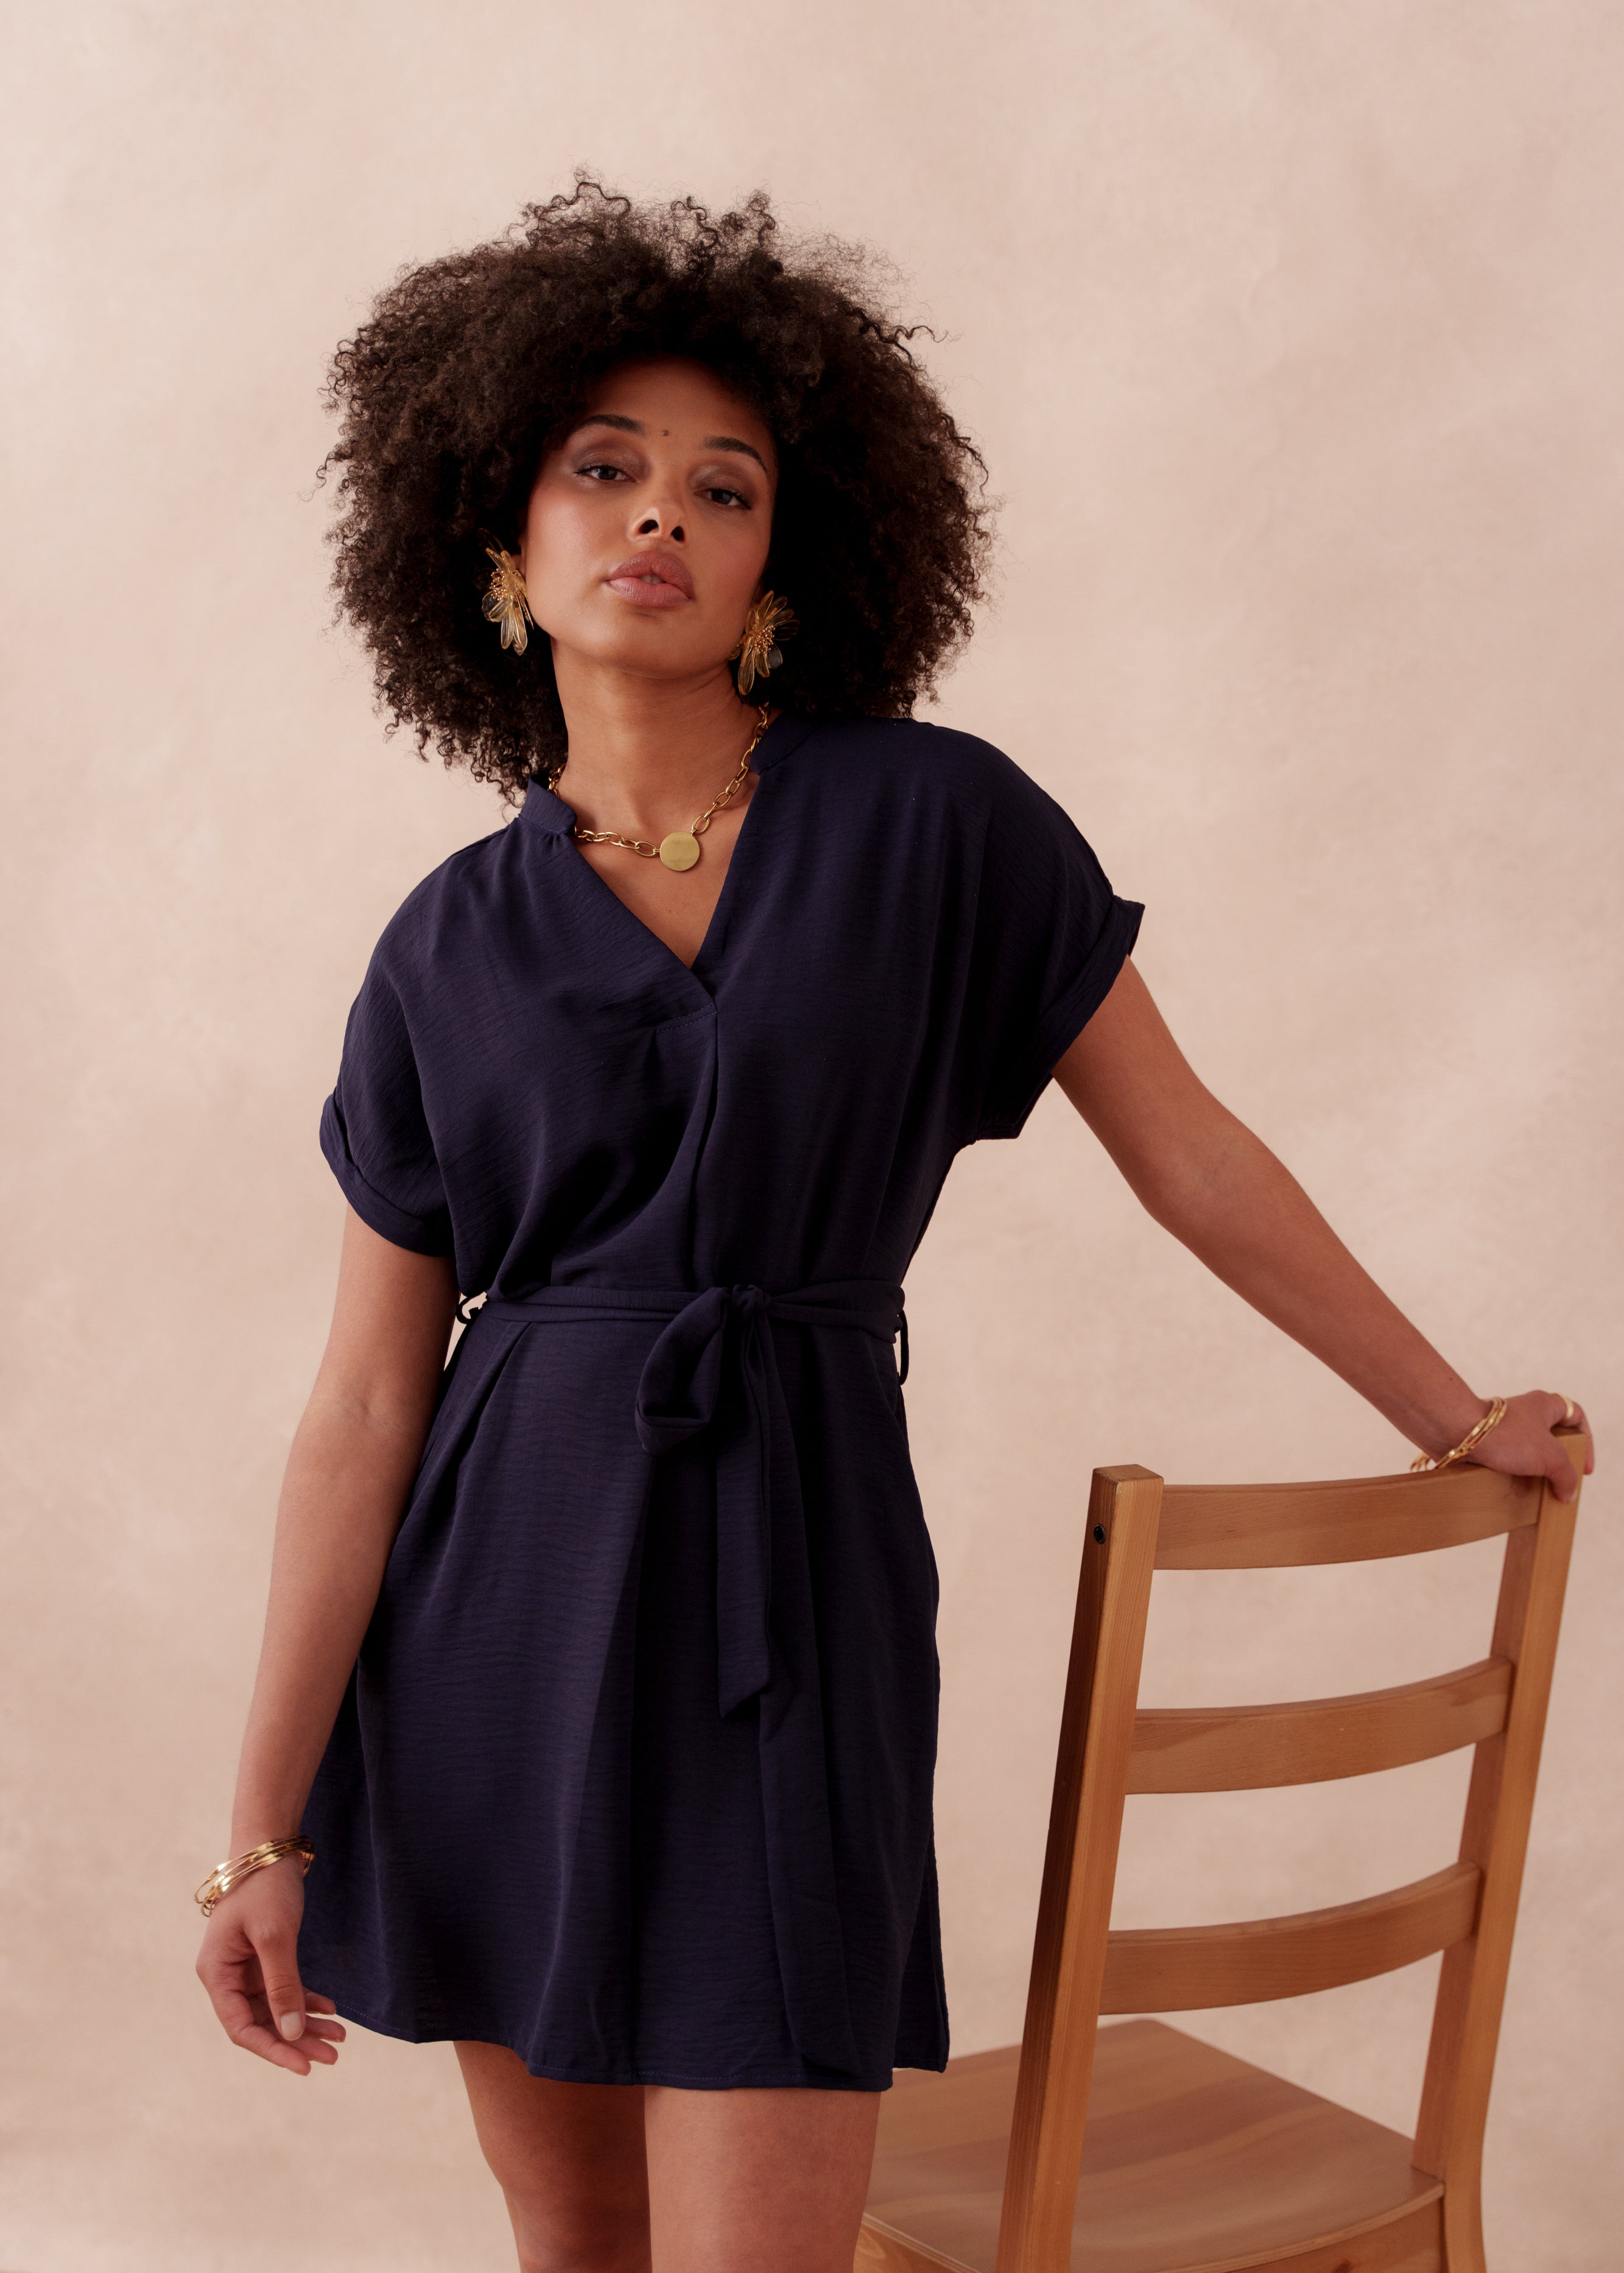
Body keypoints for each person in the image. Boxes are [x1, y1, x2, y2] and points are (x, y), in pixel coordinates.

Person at [194, 181, 1592, 2273]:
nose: (658, 515)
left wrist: (1445, 1409)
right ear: (497, 540)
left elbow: (1188, 1151)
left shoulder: (935, 824)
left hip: (795, 1574)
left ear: (781, 564)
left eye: (722, 488)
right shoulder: (438, 947)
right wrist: (260, 1830)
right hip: (500, 1619)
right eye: (602, 468)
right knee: (576, 2248)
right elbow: (364, 1409)